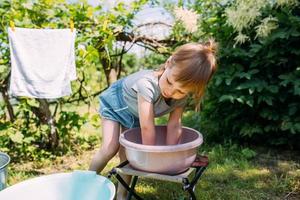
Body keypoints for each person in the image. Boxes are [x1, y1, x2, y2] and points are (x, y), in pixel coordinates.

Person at [89, 39, 218, 199]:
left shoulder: (181, 97)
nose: (171, 91)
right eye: (170, 82)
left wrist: (173, 154)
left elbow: (174, 125)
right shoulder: (147, 84)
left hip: (133, 113)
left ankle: (122, 195)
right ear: (169, 63)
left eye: (180, 91)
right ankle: (85, 182)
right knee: (110, 147)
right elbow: (147, 127)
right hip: (115, 104)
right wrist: (152, 155)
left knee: (128, 156)